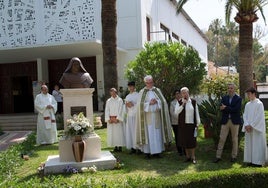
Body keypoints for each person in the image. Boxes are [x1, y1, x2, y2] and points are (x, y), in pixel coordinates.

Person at [136, 75, 173, 159]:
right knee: (148, 134)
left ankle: (157, 152)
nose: (150, 84)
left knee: (157, 134)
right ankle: (147, 153)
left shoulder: (157, 90)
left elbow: (163, 102)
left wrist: (157, 101)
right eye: (148, 83)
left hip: (156, 116)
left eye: (151, 82)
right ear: (145, 83)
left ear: (153, 82)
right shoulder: (142, 92)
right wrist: (149, 103)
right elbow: (139, 105)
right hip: (147, 117)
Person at [214, 83, 242, 163]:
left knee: (234, 139)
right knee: (222, 139)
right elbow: (221, 108)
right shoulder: (224, 98)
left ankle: (234, 156)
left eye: (231, 88)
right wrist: (227, 108)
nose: (230, 89)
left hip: (235, 121)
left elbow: (236, 109)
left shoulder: (238, 99)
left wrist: (226, 108)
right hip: (225, 121)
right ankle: (218, 156)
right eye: (229, 88)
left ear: (234, 89)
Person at [242, 87, 267, 167]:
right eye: (247, 94)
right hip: (249, 128)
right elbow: (244, 115)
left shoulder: (259, 104)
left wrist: (251, 125)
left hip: (256, 129)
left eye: (249, 94)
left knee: (257, 144)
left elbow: (259, 117)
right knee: (249, 144)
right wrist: (246, 124)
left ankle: (258, 162)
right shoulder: (247, 104)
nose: (248, 96)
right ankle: (250, 160)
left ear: (254, 94)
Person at [174, 87, 200, 164]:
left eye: (186, 92)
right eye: (183, 93)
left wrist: (198, 123)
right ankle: (187, 157)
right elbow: (176, 112)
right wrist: (183, 104)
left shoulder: (193, 102)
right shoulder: (179, 102)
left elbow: (197, 113)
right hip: (183, 125)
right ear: (181, 94)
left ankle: (193, 157)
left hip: (191, 124)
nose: (184, 94)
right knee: (185, 141)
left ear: (188, 93)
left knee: (192, 141)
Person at [105, 88, 125, 152]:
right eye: (111, 92)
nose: (113, 94)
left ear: (116, 92)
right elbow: (107, 110)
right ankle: (115, 146)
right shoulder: (108, 101)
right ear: (110, 93)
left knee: (119, 133)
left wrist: (118, 119)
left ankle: (120, 147)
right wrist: (108, 119)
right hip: (111, 120)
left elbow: (121, 110)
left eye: (114, 92)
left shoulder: (120, 100)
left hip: (117, 120)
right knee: (113, 134)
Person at [124, 81, 140, 154]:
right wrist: (127, 105)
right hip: (130, 116)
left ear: (134, 87)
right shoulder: (127, 96)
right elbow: (125, 107)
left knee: (136, 131)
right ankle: (133, 147)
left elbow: (140, 105)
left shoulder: (138, 95)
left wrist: (133, 104)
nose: (130, 88)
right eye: (129, 86)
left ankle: (139, 148)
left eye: (132, 86)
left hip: (136, 115)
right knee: (130, 132)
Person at [170, 89, 185, 155]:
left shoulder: (184, 101)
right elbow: (172, 113)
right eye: (176, 94)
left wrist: (182, 119)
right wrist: (179, 119)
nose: (178, 95)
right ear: (174, 95)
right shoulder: (172, 103)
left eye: (179, 93)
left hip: (183, 122)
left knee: (183, 136)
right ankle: (179, 150)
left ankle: (185, 150)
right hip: (175, 122)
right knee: (177, 136)